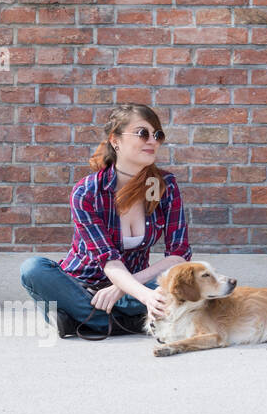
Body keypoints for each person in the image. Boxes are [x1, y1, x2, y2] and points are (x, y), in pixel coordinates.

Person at [20, 103, 190, 339]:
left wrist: (128, 290)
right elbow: (109, 261)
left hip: (132, 290)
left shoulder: (163, 186)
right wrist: (145, 297)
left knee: (184, 290)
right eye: (143, 133)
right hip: (82, 286)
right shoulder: (87, 192)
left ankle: (84, 321)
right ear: (115, 140)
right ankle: (127, 322)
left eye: (157, 135)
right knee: (33, 269)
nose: (153, 141)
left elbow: (179, 254)